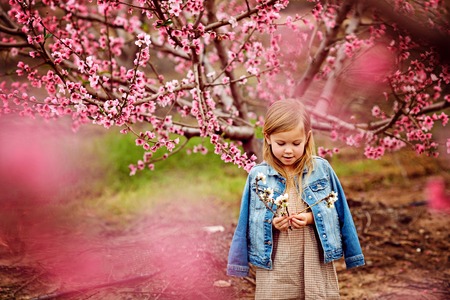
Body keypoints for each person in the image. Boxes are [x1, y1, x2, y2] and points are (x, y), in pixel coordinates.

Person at [227, 99, 365, 299]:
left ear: (307, 138)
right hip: (277, 262)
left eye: (296, 143)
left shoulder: (321, 170)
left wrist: (310, 218)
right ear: (267, 138)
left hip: (314, 258)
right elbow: (247, 222)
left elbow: (338, 210)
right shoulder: (258, 176)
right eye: (281, 143)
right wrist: (272, 223)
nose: (289, 150)